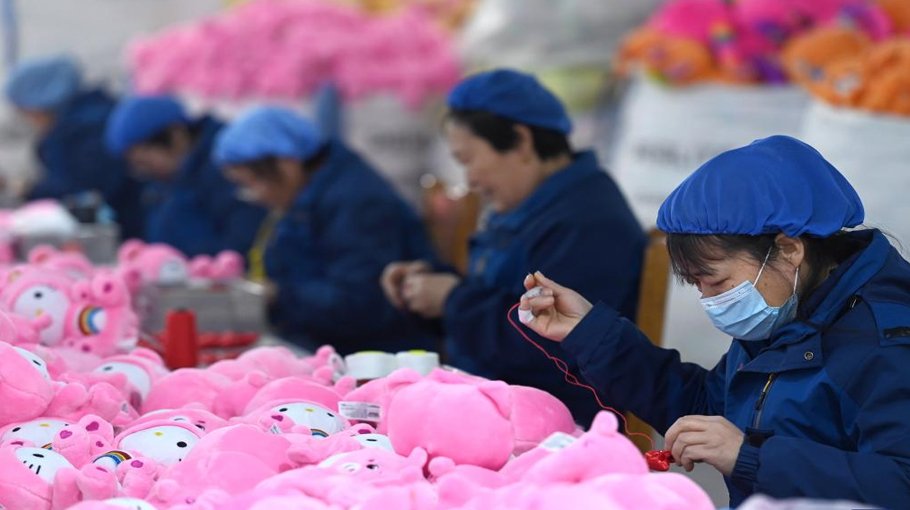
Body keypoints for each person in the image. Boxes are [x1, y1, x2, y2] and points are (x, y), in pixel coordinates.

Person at [519, 135, 910, 508]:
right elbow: (712, 406)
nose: (709, 299)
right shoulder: (792, 312)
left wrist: (749, 456)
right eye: (697, 284)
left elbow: (900, 481)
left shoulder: (885, 341)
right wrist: (588, 331)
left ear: (789, 249)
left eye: (716, 280)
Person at [380, 69, 647, 426]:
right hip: (494, 399)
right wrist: (429, 289)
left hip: (553, 423)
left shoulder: (588, 221)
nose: (470, 180)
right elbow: (499, 296)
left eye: (469, 159)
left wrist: (452, 299)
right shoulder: (533, 205)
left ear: (521, 141)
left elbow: (542, 345)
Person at [213, 106, 437, 354]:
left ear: (286, 165)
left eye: (251, 184)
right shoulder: (304, 198)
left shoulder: (356, 203)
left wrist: (280, 294)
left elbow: (359, 303)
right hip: (322, 343)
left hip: (374, 354)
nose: (253, 197)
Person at [105, 95, 267, 258]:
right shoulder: (166, 181)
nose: (142, 172)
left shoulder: (226, 169)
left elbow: (243, 242)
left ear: (175, 135)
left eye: (144, 162)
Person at [4, 54, 144, 239]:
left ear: (41, 103)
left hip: (120, 232)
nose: (29, 120)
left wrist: (29, 192)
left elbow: (78, 192)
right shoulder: (93, 117)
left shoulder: (80, 133)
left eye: (26, 111)